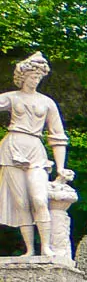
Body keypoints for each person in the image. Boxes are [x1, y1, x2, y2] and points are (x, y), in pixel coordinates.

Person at [0, 53, 71, 259]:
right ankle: (30, 249)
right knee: (21, 203)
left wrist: (60, 167)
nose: (35, 80)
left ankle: (46, 247)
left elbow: (58, 137)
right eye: (32, 76)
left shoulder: (47, 103)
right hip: (12, 148)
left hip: (35, 149)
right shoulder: (12, 97)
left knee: (39, 199)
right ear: (23, 77)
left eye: (38, 77)